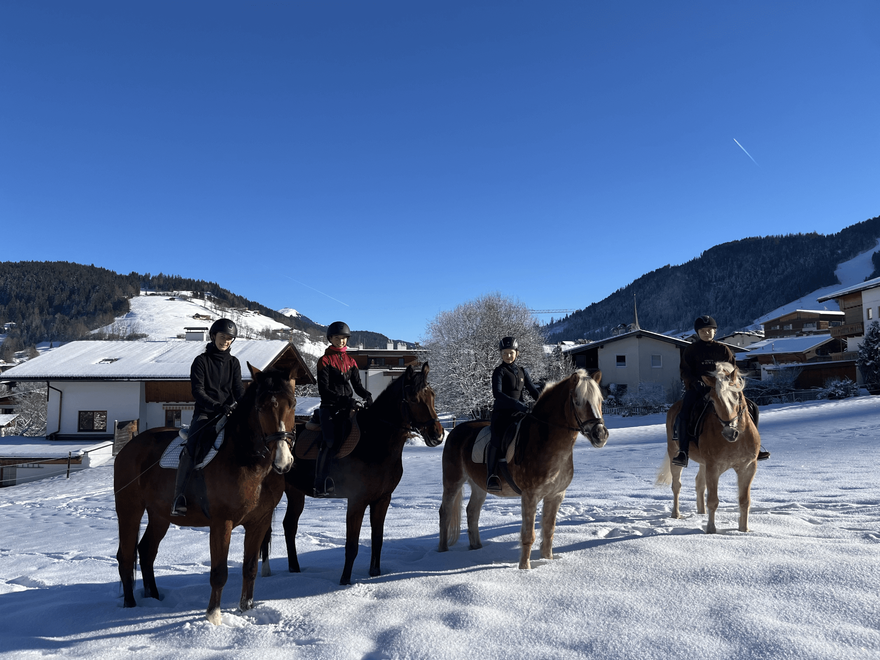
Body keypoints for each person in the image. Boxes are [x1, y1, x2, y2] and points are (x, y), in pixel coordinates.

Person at [673, 315, 770, 467]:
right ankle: (683, 452)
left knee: (752, 407)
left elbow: (733, 369)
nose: (706, 333)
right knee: (684, 413)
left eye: (710, 330)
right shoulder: (691, 350)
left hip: (723, 390)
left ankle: (754, 446)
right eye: (703, 331)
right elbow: (684, 371)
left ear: (715, 331)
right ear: (697, 332)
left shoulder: (723, 349)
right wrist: (696, 383)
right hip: (698, 390)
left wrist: (729, 383)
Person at [171, 318, 244, 516]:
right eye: (222, 337)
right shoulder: (201, 361)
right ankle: (179, 496)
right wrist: (217, 406)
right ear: (213, 336)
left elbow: (238, 390)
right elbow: (198, 391)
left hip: (228, 413)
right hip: (206, 414)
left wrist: (244, 406)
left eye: (229, 338)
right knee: (192, 446)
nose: (226, 341)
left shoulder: (234, 363)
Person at [314, 321, 373, 496]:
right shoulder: (324, 361)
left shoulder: (351, 361)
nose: (341, 341)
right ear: (330, 339)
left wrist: (367, 395)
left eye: (344, 338)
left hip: (348, 406)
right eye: (337, 338)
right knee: (330, 441)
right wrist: (342, 399)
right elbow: (324, 390)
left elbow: (357, 386)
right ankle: (321, 483)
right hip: (330, 407)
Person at [486, 336, 541, 493]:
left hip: (520, 413)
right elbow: (497, 394)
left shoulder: (522, 371)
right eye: (504, 353)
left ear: (517, 353)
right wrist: (516, 404)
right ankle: (491, 475)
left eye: (511, 353)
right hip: (502, 414)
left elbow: (532, 389)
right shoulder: (499, 371)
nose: (508, 356)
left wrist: (542, 400)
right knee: (496, 439)